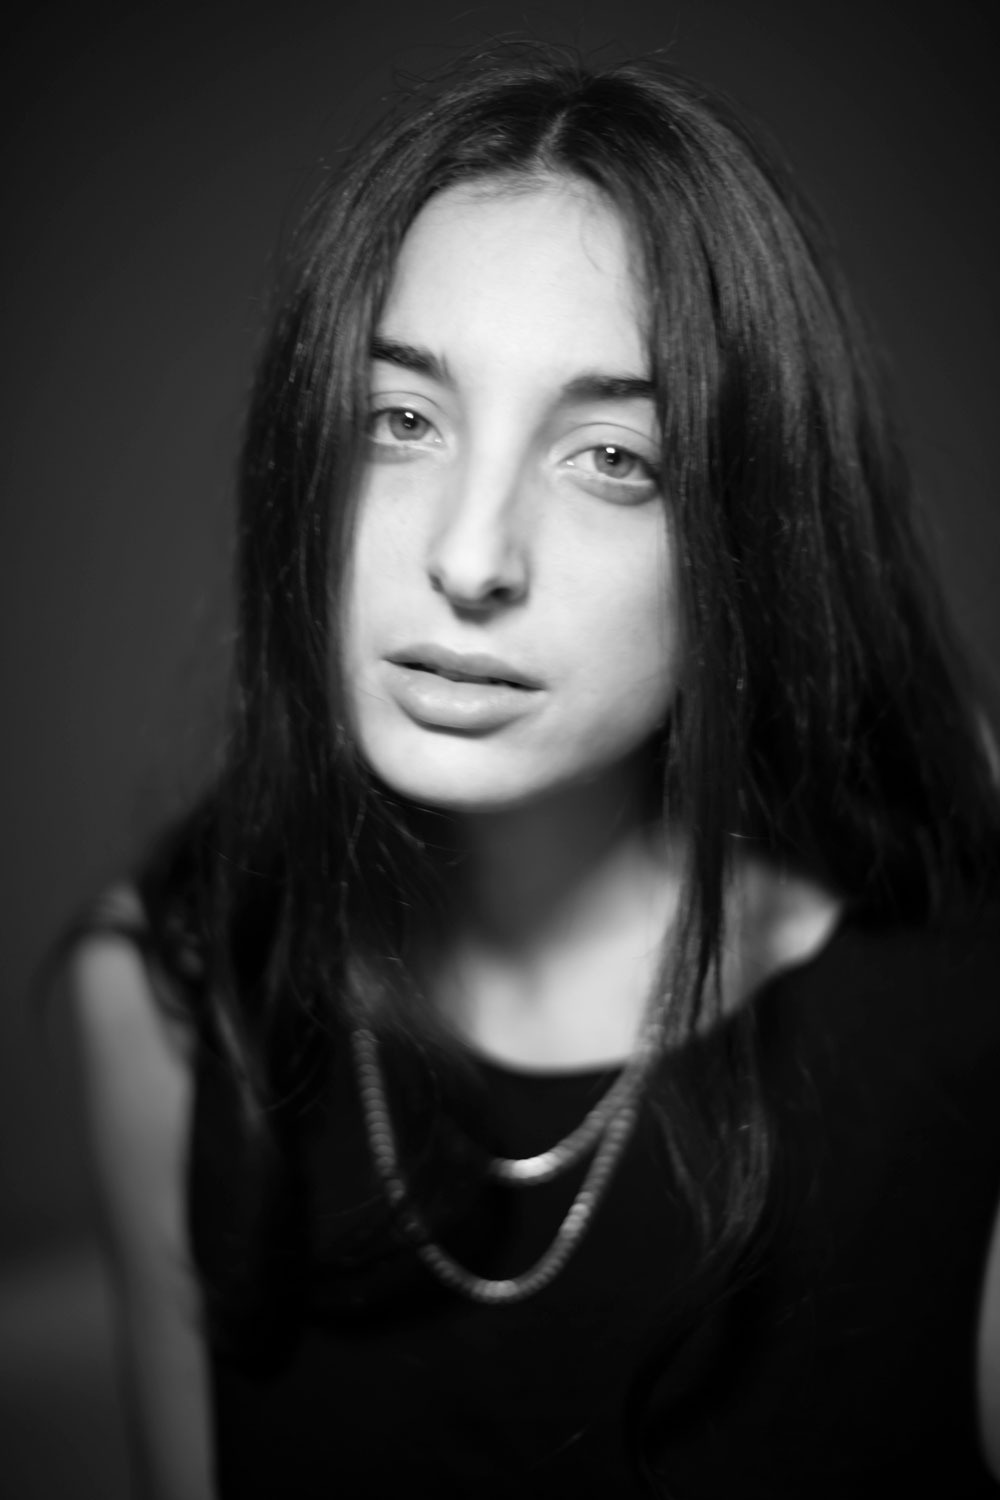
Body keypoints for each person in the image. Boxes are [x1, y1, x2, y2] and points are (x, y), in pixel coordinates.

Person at [67, 43, 1000, 1499]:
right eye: (401, 421)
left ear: (757, 532)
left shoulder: (957, 1015)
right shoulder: (176, 997)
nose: (470, 556)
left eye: (613, 458)